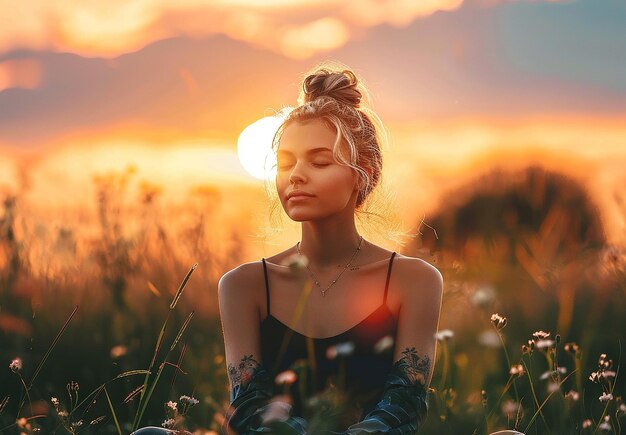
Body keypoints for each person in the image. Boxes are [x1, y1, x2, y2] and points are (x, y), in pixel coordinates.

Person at [218, 62, 443, 434]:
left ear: (363, 170)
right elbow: (247, 406)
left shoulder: (414, 280)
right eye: (285, 162)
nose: (296, 175)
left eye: (319, 161)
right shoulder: (243, 285)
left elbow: (405, 404)